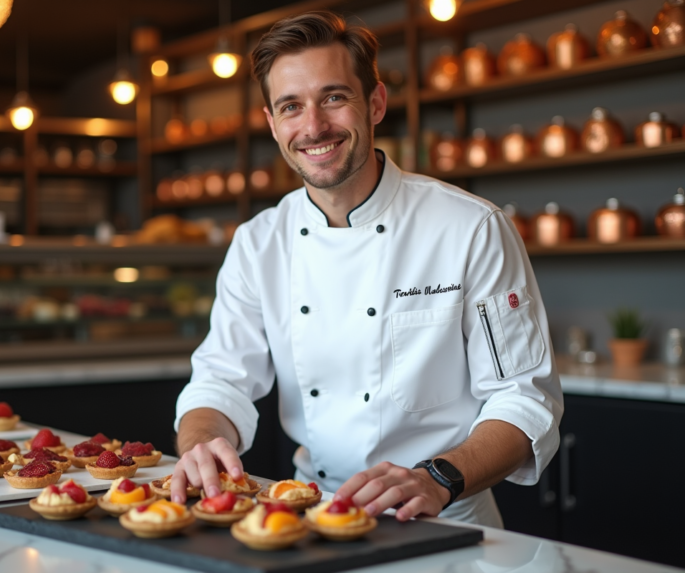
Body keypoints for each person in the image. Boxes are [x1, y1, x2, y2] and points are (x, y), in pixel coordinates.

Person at [171, 11, 563, 527]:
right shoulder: (258, 243)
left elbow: (523, 398)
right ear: (272, 123)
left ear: (375, 103)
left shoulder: (471, 227)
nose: (313, 127)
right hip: (309, 514)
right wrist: (201, 444)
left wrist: (437, 477)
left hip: (446, 519)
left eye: (334, 97)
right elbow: (220, 381)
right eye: (292, 106)